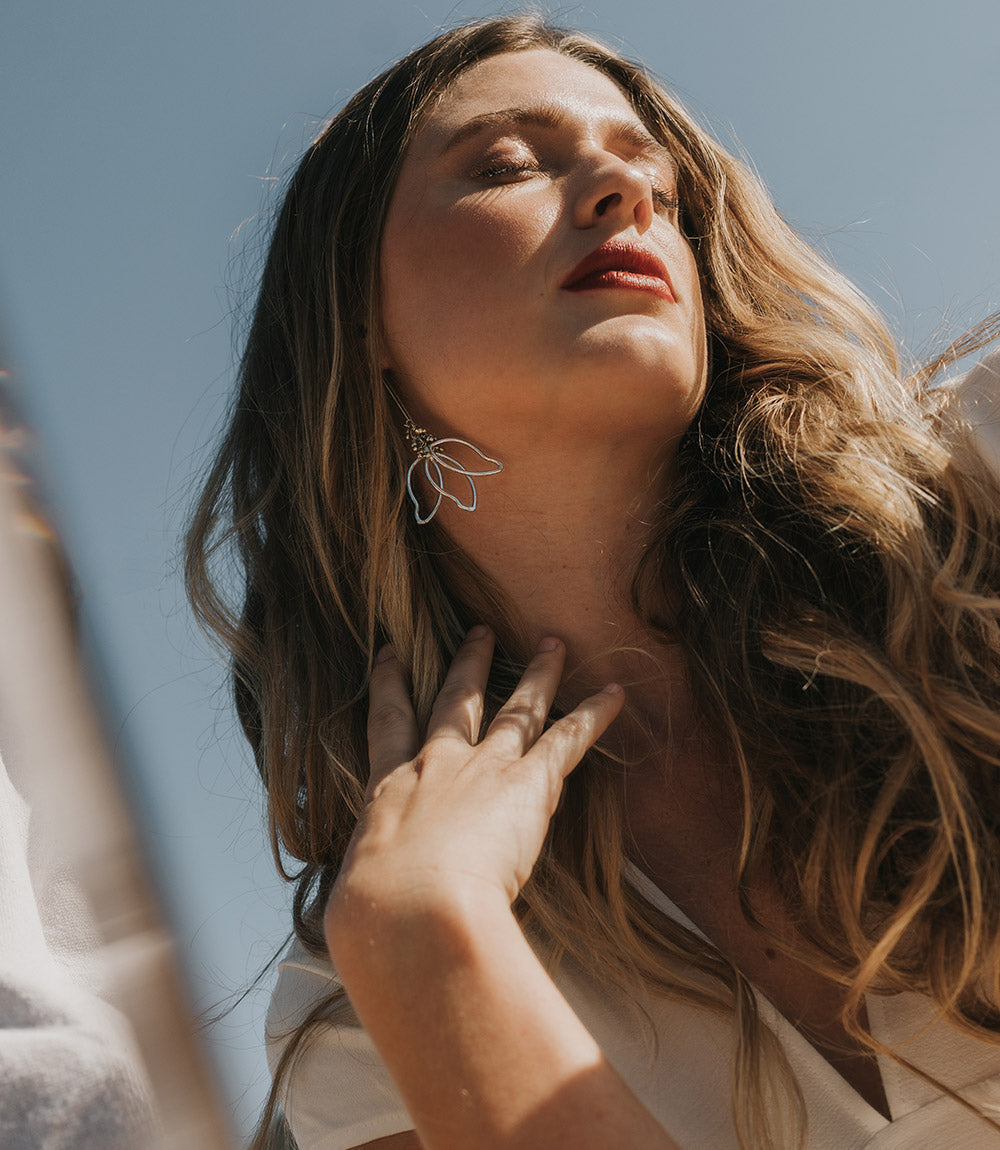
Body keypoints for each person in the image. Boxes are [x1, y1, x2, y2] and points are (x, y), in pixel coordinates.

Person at [185, 15, 1000, 1150]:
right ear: (354, 314)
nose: (625, 185)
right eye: (508, 163)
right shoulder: (358, 1025)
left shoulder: (977, 501)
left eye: (656, 177)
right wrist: (429, 943)